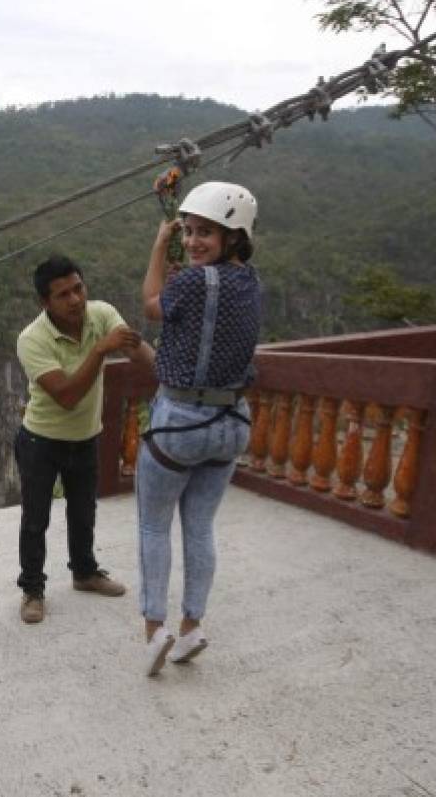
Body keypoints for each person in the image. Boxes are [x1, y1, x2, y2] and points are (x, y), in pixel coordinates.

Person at [136, 180, 262, 676]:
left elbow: (151, 305)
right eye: (188, 231)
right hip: (231, 423)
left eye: (204, 232)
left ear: (233, 235)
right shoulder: (251, 281)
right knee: (200, 527)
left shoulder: (191, 282)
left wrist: (157, 246)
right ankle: (191, 628)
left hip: (180, 423)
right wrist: (181, 276)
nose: (192, 241)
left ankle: (154, 632)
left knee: (152, 525)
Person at [14, 254, 154, 623]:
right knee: (35, 519)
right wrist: (99, 350)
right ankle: (32, 589)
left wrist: (173, 377)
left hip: (86, 436)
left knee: (83, 511)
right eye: (63, 295)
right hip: (40, 441)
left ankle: (85, 572)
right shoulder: (32, 339)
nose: (75, 299)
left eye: (78, 288)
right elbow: (67, 396)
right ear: (45, 302)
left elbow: (136, 349)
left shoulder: (103, 314)